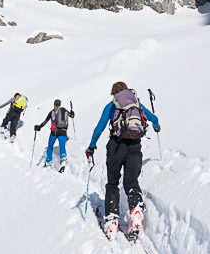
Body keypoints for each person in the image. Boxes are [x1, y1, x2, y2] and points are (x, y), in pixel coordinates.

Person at [85, 81, 160, 241]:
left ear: (114, 94)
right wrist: (157, 126)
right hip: (134, 145)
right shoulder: (137, 104)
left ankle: (111, 221)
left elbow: (99, 128)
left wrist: (91, 147)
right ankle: (136, 212)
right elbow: (153, 118)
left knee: (113, 183)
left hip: (116, 146)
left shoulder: (111, 106)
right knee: (131, 181)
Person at [34, 99, 74, 171]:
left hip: (54, 132)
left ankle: (48, 162)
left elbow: (45, 122)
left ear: (54, 105)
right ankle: (63, 161)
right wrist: (72, 112)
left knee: (50, 146)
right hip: (63, 132)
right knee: (62, 147)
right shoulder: (65, 110)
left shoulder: (52, 112)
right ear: (60, 104)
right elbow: (72, 116)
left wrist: (38, 127)